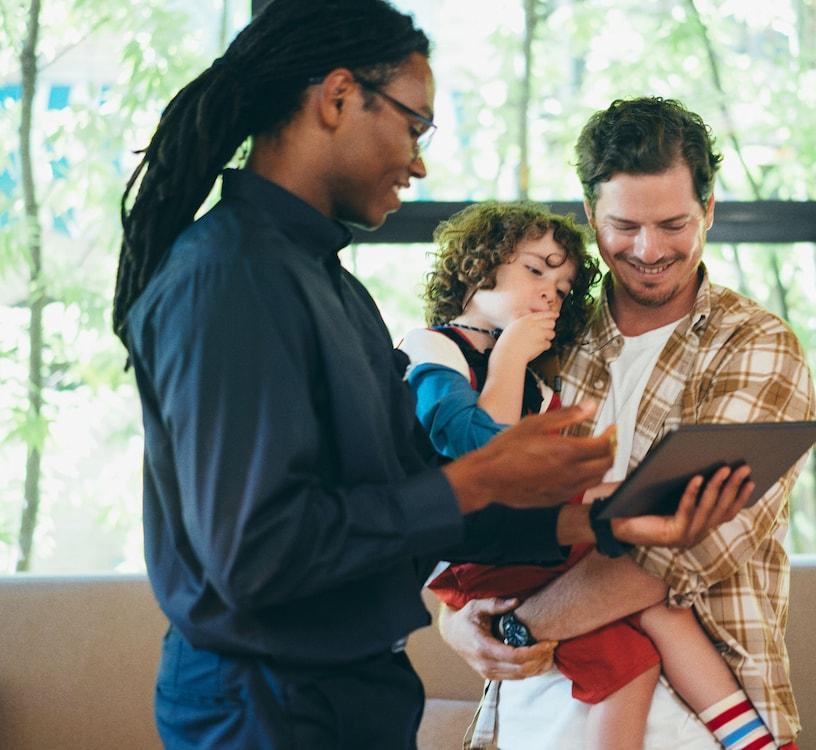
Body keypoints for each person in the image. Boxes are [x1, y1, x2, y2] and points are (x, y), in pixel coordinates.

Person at [112, 2, 744, 746]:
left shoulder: (329, 286)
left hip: (338, 700)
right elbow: (257, 555)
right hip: (267, 710)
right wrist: (484, 474)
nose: (418, 162)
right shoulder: (228, 279)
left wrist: (596, 520)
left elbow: (402, 500)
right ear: (339, 98)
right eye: (415, 127)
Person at [439, 97, 816, 750]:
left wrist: (517, 627)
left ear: (710, 209)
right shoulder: (543, 339)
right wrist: (456, 624)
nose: (648, 250)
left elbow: (672, 554)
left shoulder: (755, 345)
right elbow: (460, 504)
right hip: (530, 718)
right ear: (590, 216)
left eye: (673, 224)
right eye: (624, 226)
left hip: (698, 728)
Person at [401, 201, 766, 750]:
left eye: (564, 286)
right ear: (478, 267)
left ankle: (755, 739)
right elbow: (484, 459)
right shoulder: (433, 348)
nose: (550, 291)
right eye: (536, 269)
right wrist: (507, 363)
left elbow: (548, 480)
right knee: (632, 658)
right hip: (481, 554)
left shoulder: (538, 379)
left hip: (529, 543)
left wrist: (626, 495)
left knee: (657, 623)